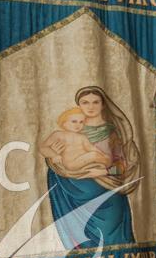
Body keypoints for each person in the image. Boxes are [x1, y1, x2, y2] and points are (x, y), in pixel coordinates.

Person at [40, 105, 136, 248]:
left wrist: (106, 170)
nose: (91, 107)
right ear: (64, 122)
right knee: (94, 155)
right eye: (85, 102)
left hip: (105, 184)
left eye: (96, 102)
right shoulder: (59, 135)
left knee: (95, 155)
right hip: (74, 181)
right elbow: (44, 149)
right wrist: (54, 155)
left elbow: (124, 165)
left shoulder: (108, 132)